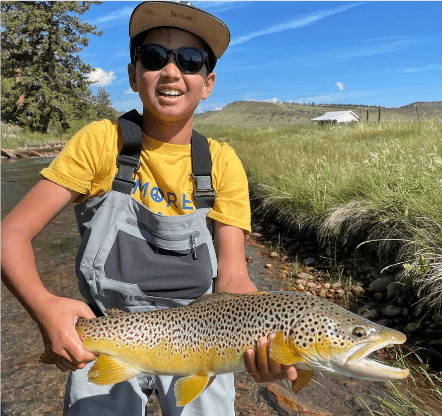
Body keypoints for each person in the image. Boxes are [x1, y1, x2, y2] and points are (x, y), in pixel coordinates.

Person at [0, 1, 297, 415]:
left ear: (207, 82)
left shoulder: (222, 162)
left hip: (204, 334)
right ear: (133, 75)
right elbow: (9, 234)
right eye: (155, 57)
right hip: (110, 327)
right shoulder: (102, 143)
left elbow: (233, 279)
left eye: (190, 61)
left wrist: (267, 338)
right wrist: (44, 306)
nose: (172, 72)